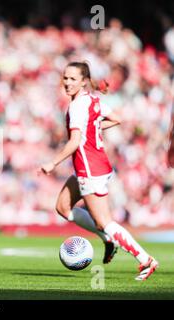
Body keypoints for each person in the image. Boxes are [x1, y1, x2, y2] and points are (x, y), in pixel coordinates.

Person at [40, 61, 158, 281]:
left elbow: (75, 141)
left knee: (104, 221)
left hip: (89, 168)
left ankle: (145, 259)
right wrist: (92, 129)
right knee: (63, 207)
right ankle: (107, 239)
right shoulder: (93, 99)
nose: (67, 82)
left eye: (72, 79)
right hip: (97, 163)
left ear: (83, 81)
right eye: (65, 78)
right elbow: (117, 119)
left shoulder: (76, 107)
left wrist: (52, 163)